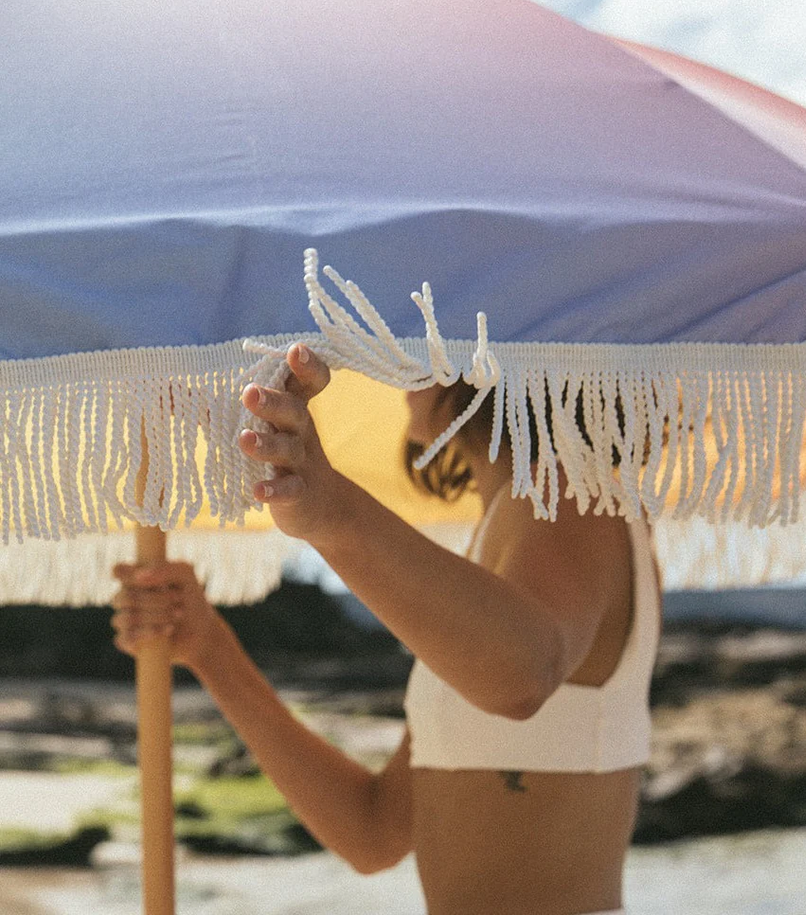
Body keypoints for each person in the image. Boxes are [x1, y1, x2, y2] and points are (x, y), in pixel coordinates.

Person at [112, 342, 661, 915]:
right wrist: (210, 649)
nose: (399, 361)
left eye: (424, 340)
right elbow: (372, 832)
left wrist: (327, 506)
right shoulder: (514, 530)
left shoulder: (573, 494)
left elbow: (523, 676)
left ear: (482, 362)